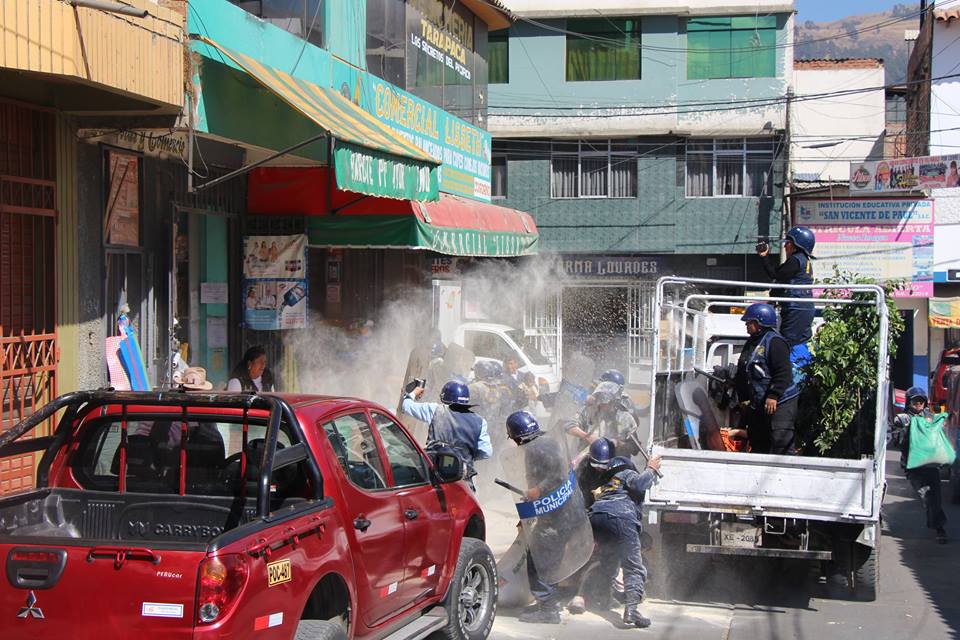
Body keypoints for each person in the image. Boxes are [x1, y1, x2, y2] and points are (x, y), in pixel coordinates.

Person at [568, 438, 661, 628]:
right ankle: (632, 611)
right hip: (621, 517)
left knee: (609, 560)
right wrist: (651, 468)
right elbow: (641, 483)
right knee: (634, 566)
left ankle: (602, 598)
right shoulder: (626, 473)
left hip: (596, 518)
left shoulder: (606, 482)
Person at [505, 411, 571, 624]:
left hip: (556, 514)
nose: (513, 442)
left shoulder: (539, 448)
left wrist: (537, 491)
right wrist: (527, 514)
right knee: (548, 560)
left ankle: (549, 610)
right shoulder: (545, 443)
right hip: (556, 512)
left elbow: (559, 476)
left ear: (519, 436)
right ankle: (547, 602)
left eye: (513, 438)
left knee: (539, 561)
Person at [401, 380, 492, 489]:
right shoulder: (480, 421)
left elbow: (405, 406)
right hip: (462, 479)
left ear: (444, 397)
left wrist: (413, 393)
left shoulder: (436, 410)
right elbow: (486, 452)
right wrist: (466, 454)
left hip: (434, 475)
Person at [733, 303, 798, 455]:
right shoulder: (752, 342)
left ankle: (784, 474)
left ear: (759, 323)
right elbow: (743, 371)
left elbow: (783, 372)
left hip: (781, 401)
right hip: (759, 401)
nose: (746, 325)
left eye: (749, 322)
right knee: (758, 439)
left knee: (781, 440)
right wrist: (743, 398)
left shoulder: (775, 342)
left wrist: (773, 395)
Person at [893, 387, 948, 544]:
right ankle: (939, 527)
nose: (918, 404)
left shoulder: (930, 418)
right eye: (915, 401)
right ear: (909, 403)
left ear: (925, 403)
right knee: (928, 497)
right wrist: (903, 427)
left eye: (921, 401)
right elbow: (896, 436)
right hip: (914, 468)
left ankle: (939, 527)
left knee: (936, 498)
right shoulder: (904, 418)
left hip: (930, 465)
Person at [757, 226, 816, 347]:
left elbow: (776, 275)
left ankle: (789, 366)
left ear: (796, 245)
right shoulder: (805, 261)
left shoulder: (795, 260)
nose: (785, 246)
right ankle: (802, 365)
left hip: (795, 308)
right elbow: (784, 280)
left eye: (788, 243)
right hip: (805, 307)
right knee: (800, 343)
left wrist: (764, 257)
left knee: (786, 343)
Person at [564, 380, 638, 454]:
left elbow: (635, 449)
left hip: (615, 461)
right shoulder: (589, 411)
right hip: (589, 457)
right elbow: (568, 425)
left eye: (606, 403)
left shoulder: (625, 418)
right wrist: (587, 437)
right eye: (599, 401)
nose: (602, 406)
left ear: (614, 402)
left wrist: (617, 443)